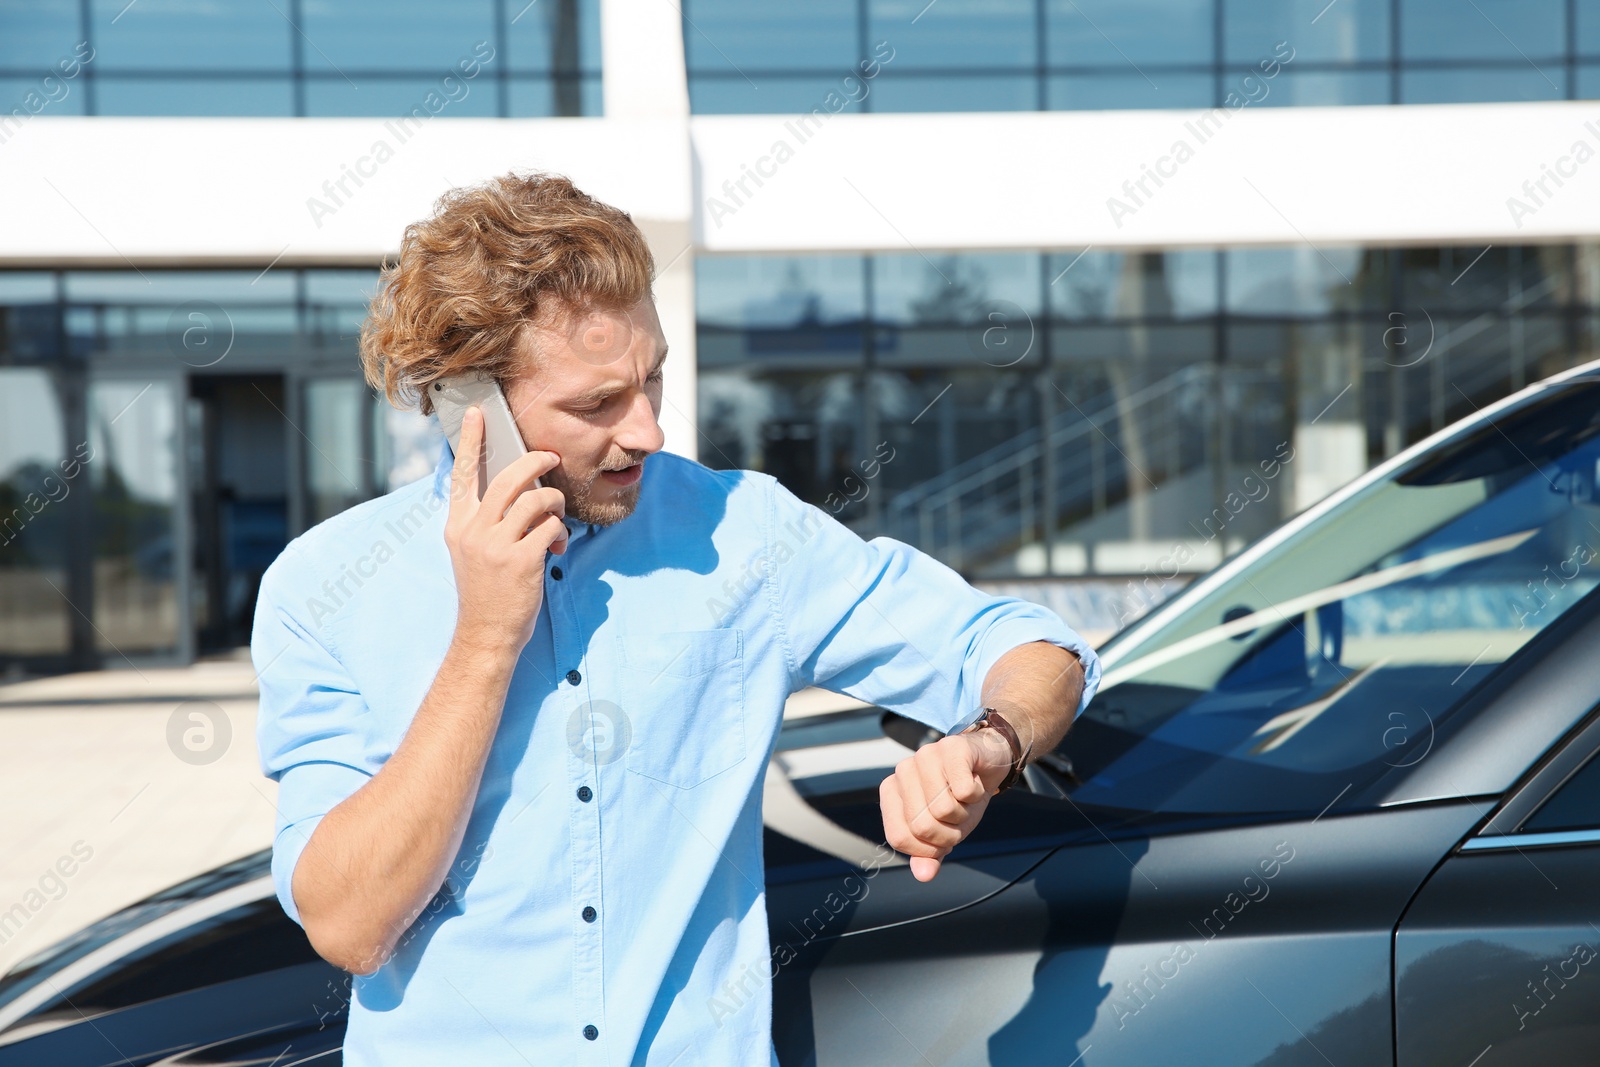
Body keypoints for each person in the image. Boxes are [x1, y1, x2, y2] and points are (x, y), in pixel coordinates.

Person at [251, 171, 1102, 1065]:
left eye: (652, 379)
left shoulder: (744, 533)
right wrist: (487, 635)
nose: (650, 430)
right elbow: (350, 926)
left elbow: (1034, 647)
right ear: (473, 402)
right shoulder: (324, 586)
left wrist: (991, 741)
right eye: (597, 403)